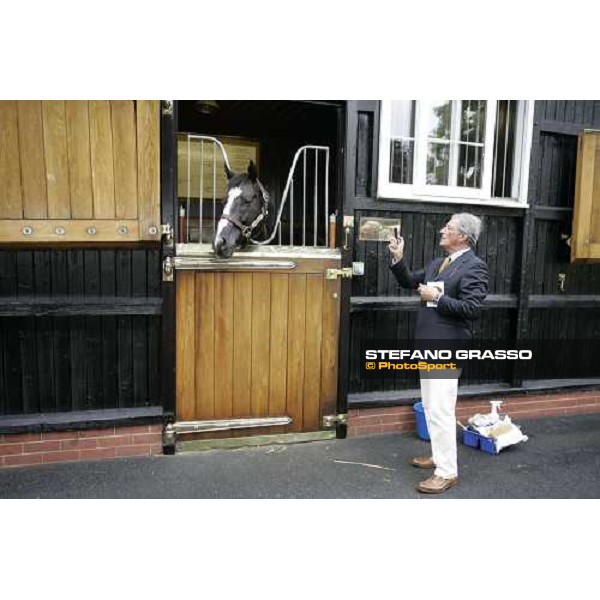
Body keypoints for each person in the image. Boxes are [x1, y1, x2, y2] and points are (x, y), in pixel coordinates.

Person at [388, 213, 489, 494]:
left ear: (463, 237)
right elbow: (409, 280)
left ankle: (447, 472)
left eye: (449, 227)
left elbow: (472, 309)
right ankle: (438, 455)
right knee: (432, 407)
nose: (442, 230)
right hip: (429, 345)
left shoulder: (475, 267)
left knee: (442, 409)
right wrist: (398, 257)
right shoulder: (438, 263)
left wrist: (438, 298)